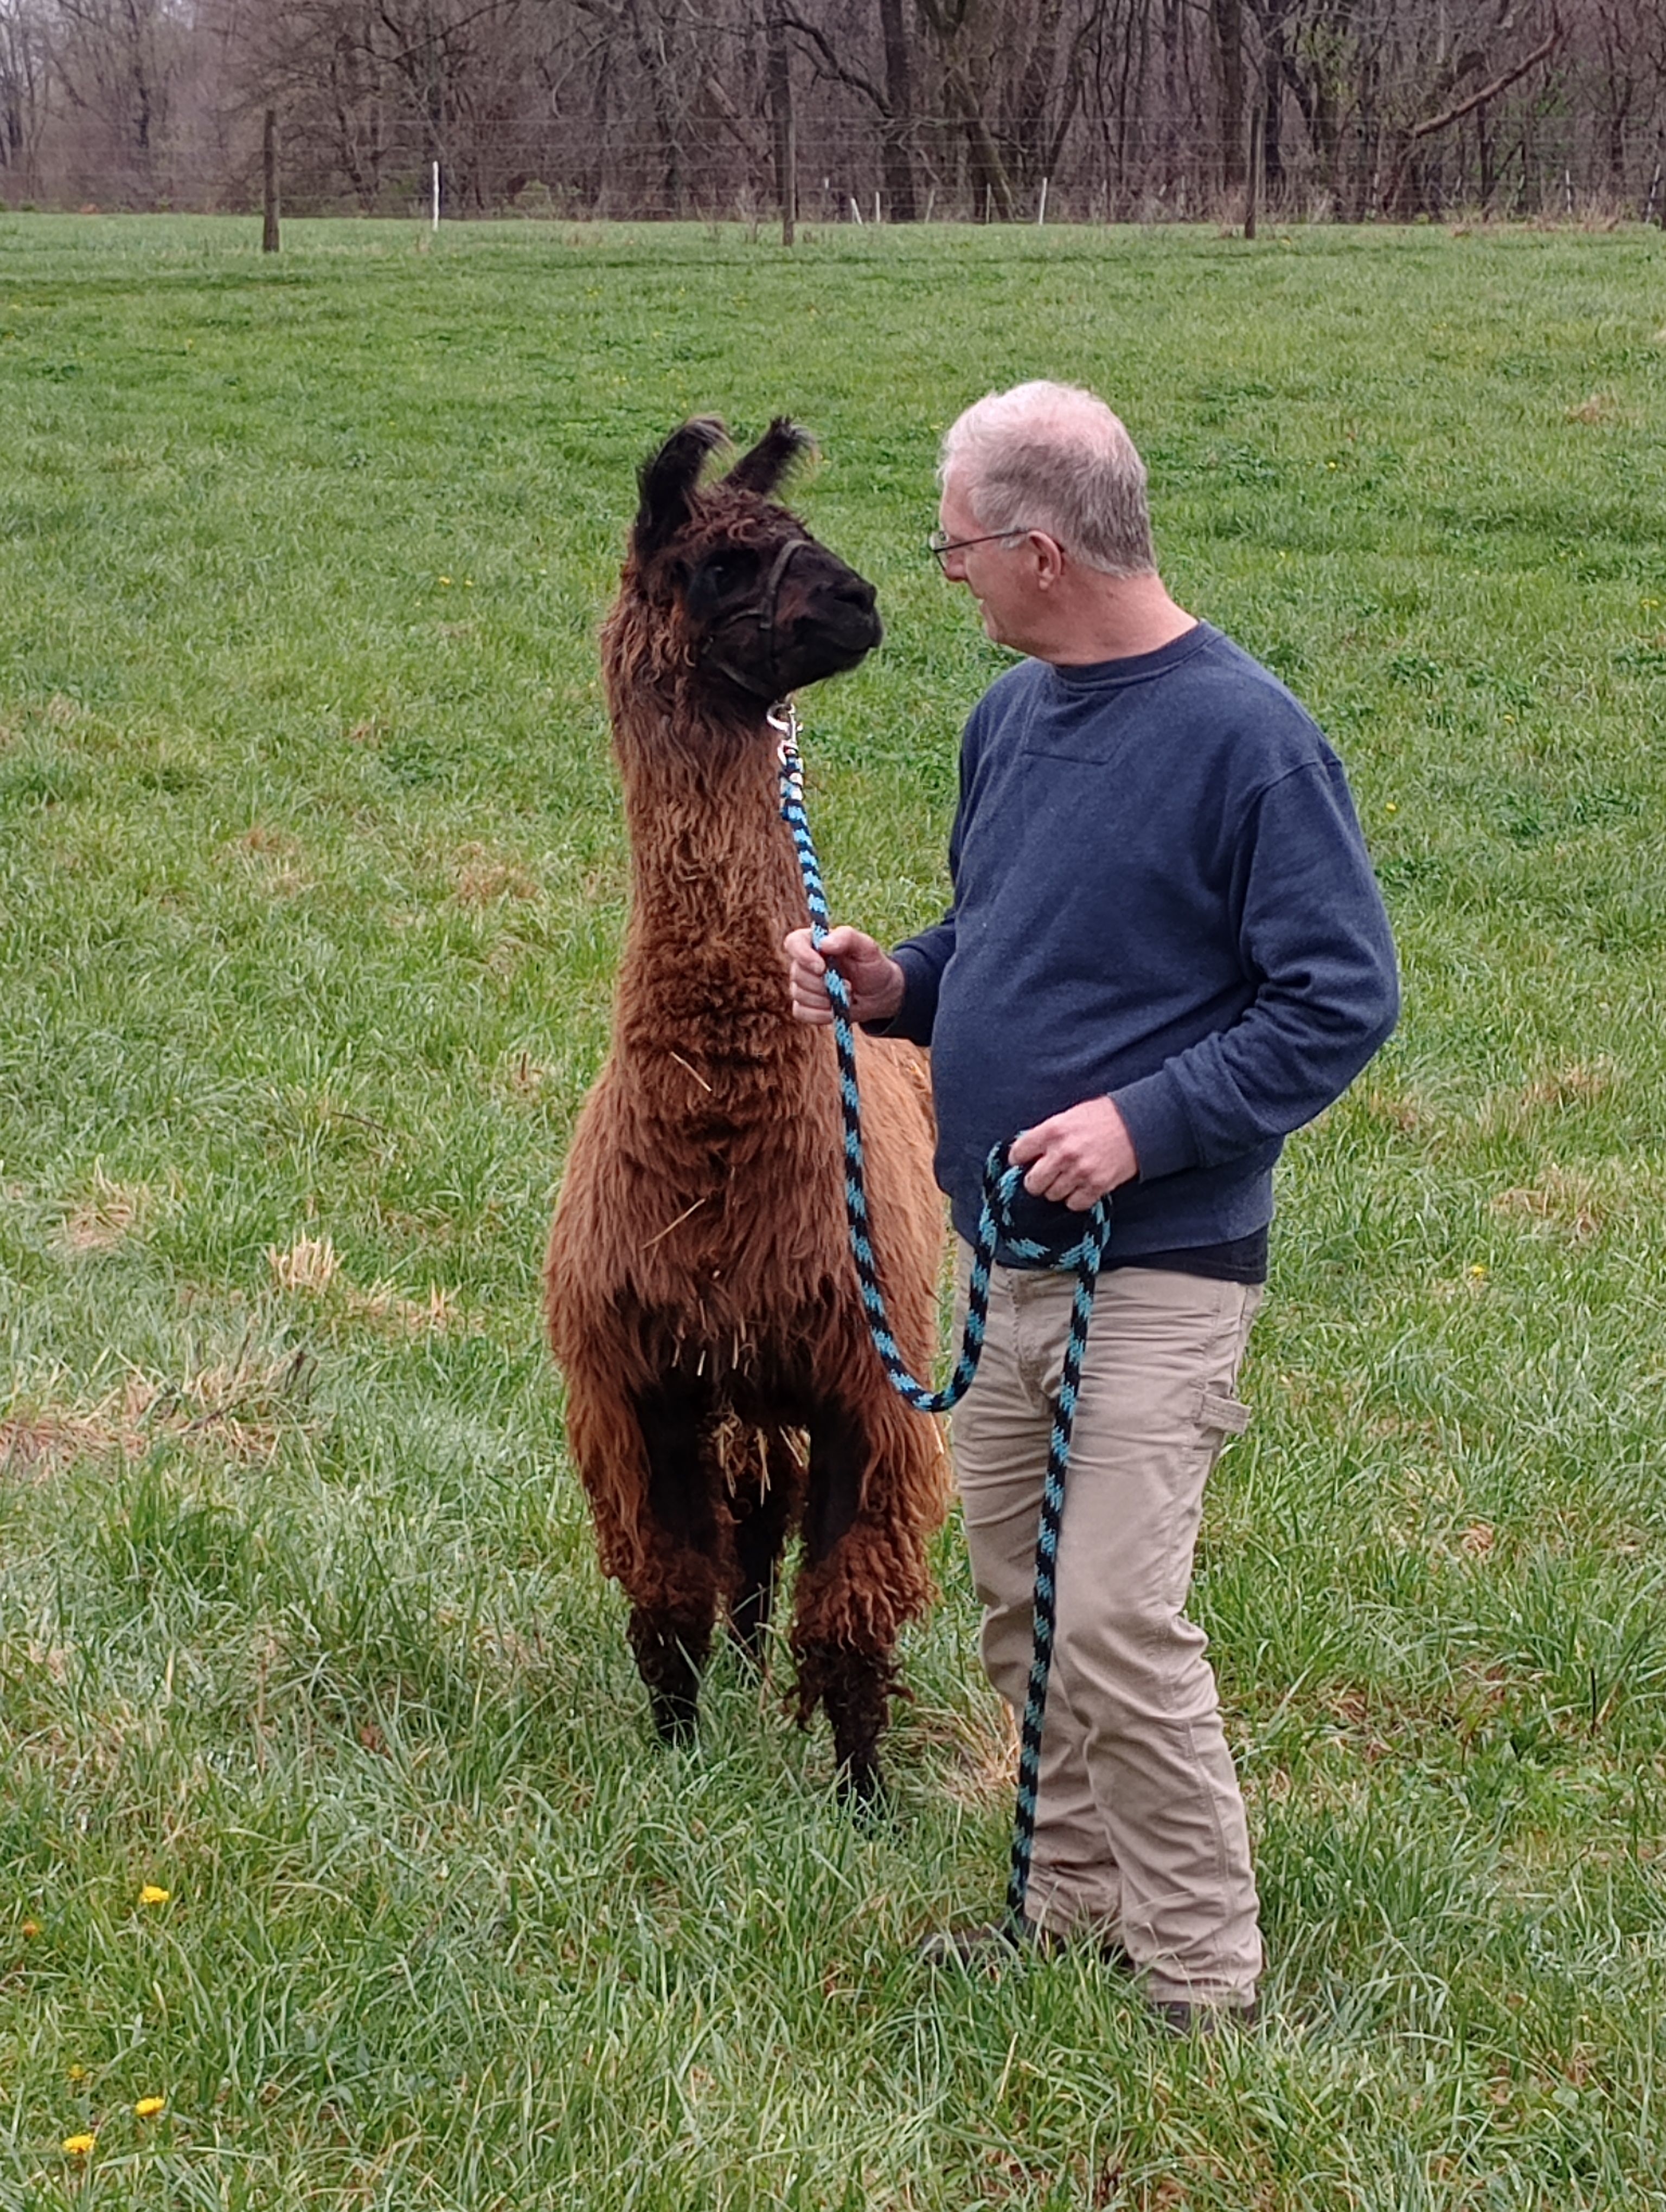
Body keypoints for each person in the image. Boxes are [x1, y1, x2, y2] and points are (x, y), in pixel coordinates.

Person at [784, 381, 1399, 2031]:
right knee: (1027, 1607)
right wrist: (898, 981)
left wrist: (1142, 1126)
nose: (948, 575)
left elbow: (1340, 997)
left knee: (1115, 1614)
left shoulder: (1250, 742)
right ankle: (1065, 1908)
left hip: (1163, 1267)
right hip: (1007, 1257)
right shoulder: (1010, 721)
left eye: (956, 548)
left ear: (1041, 552)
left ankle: (1200, 1980)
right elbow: (1005, 938)